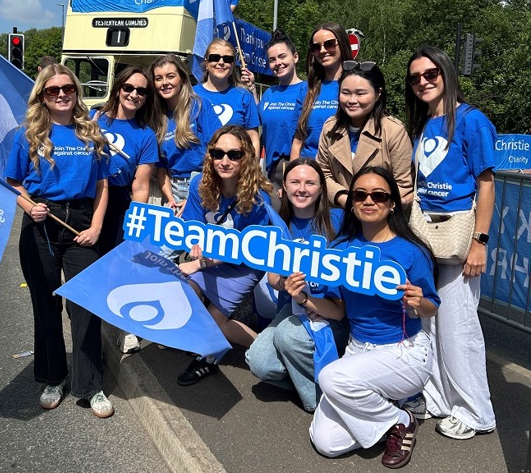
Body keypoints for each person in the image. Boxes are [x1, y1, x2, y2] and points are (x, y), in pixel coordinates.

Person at [309, 166, 440, 469]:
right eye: (360, 194)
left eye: (379, 195)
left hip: (404, 353)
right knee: (326, 443)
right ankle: (388, 415)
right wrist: (302, 297)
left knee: (330, 377)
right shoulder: (341, 248)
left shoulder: (411, 250)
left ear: (392, 202)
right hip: (359, 352)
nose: (369, 201)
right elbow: (338, 310)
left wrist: (418, 303)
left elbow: (432, 305)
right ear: (352, 202)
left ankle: (401, 420)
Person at [5, 64, 114, 418]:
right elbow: (12, 182)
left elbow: (101, 185)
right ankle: (54, 376)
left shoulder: (91, 132)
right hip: (41, 223)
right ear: (43, 96)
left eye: (68, 88)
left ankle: (91, 385)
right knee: (46, 305)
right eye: (53, 90)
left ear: (76, 91)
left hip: (81, 222)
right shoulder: (29, 134)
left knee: (85, 304)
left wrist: (97, 226)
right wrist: (29, 205)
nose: (62, 94)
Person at [404, 46, 497, 439]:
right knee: (430, 324)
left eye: (431, 74)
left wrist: (480, 241)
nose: (423, 81)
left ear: (446, 73)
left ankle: (477, 411)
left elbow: (486, 184)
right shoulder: (425, 122)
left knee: (459, 327)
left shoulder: (472, 122)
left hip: (459, 236)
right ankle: (441, 398)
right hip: (426, 235)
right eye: (415, 77)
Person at [245, 158, 346, 412]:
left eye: (310, 183)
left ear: (322, 188)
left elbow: (342, 300)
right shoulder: (278, 224)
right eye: (295, 182)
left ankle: (321, 401)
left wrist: (307, 299)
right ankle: (314, 379)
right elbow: (272, 278)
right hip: (294, 308)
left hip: (332, 310)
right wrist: (285, 283)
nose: (302, 189)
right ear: (284, 189)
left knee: (287, 336)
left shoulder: (338, 219)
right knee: (258, 361)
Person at [176, 125, 272, 385]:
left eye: (234, 154)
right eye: (218, 154)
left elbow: (244, 251)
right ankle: (198, 335)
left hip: (243, 265)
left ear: (246, 158)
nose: (225, 161)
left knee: (218, 326)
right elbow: (193, 230)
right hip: (207, 258)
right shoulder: (199, 184)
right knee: (182, 290)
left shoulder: (259, 198)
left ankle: (269, 350)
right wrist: (194, 246)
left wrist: (199, 263)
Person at [96, 66, 160, 354]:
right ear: (118, 88)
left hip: (122, 201)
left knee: (124, 265)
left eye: (141, 91)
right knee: (91, 263)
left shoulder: (146, 135)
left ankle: (125, 327)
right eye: (129, 88)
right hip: (91, 199)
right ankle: (91, 320)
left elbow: (141, 184)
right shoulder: (94, 120)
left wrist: (137, 221)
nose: (134, 94)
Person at [317, 60, 413, 209]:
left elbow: (403, 184)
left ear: (378, 94)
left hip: (381, 218)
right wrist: (344, 199)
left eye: (360, 93)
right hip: (339, 213)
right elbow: (323, 173)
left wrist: (369, 205)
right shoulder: (330, 128)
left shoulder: (393, 131)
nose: (352, 100)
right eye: (345, 93)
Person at [242, 29, 307, 206]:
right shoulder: (270, 93)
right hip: (272, 172)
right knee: (277, 227)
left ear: (295, 57)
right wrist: (252, 89)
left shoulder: (308, 90)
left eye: (282, 57)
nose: (278, 63)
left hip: (300, 170)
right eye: (272, 60)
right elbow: (258, 120)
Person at [149, 55, 216, 213]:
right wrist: (170, 199)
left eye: (170, 76)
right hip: (172, 189)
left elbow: (215, 151)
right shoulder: (156, 117)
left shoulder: (199, 106)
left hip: (203, 183)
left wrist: (196, 194)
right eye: (159, 78)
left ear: (182, 79)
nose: (165, 83)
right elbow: (161, 168)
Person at [291, 22, 352, 160]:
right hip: (311, 169)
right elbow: (298, 140)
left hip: (344, 168)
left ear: (342, 44)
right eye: (316, 47)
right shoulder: (307, 89)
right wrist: (293, 173)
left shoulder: (358, 85)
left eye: (329, 44)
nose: (323, 50)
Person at [193, 38, 260, 156]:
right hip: (199, 170)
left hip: (235, 167)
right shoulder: (191, 95)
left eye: (227, 59)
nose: (221, 62)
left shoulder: (244, 96)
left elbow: (253, 138)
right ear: (206, 63)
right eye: (215, 57)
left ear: (232, 65)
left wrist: (252, 170)